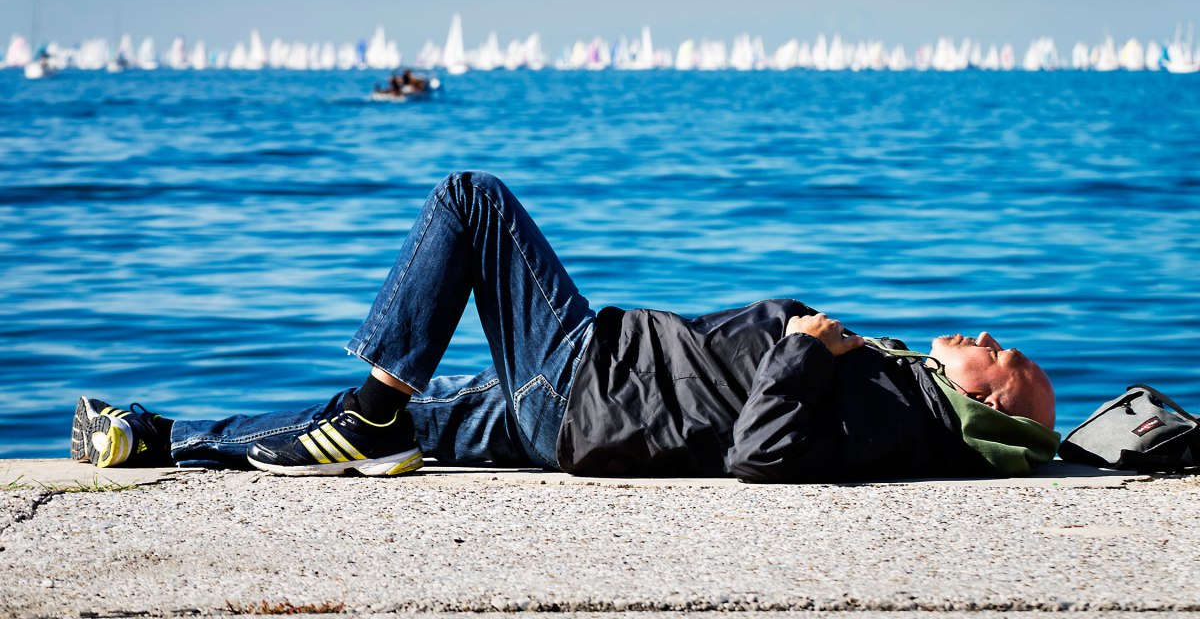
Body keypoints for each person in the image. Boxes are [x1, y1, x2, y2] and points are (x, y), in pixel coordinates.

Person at [71, 172, 1059, 483]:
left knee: (471, 201)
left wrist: (802, 346)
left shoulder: (897, 414)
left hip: (588, 383)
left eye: (1002, 352)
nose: (985, 333)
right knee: (387, 423)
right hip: (590, 412)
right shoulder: (903, 393)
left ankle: (373, 408)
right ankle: (156, 437)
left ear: (986, 398)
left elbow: (761, 453)